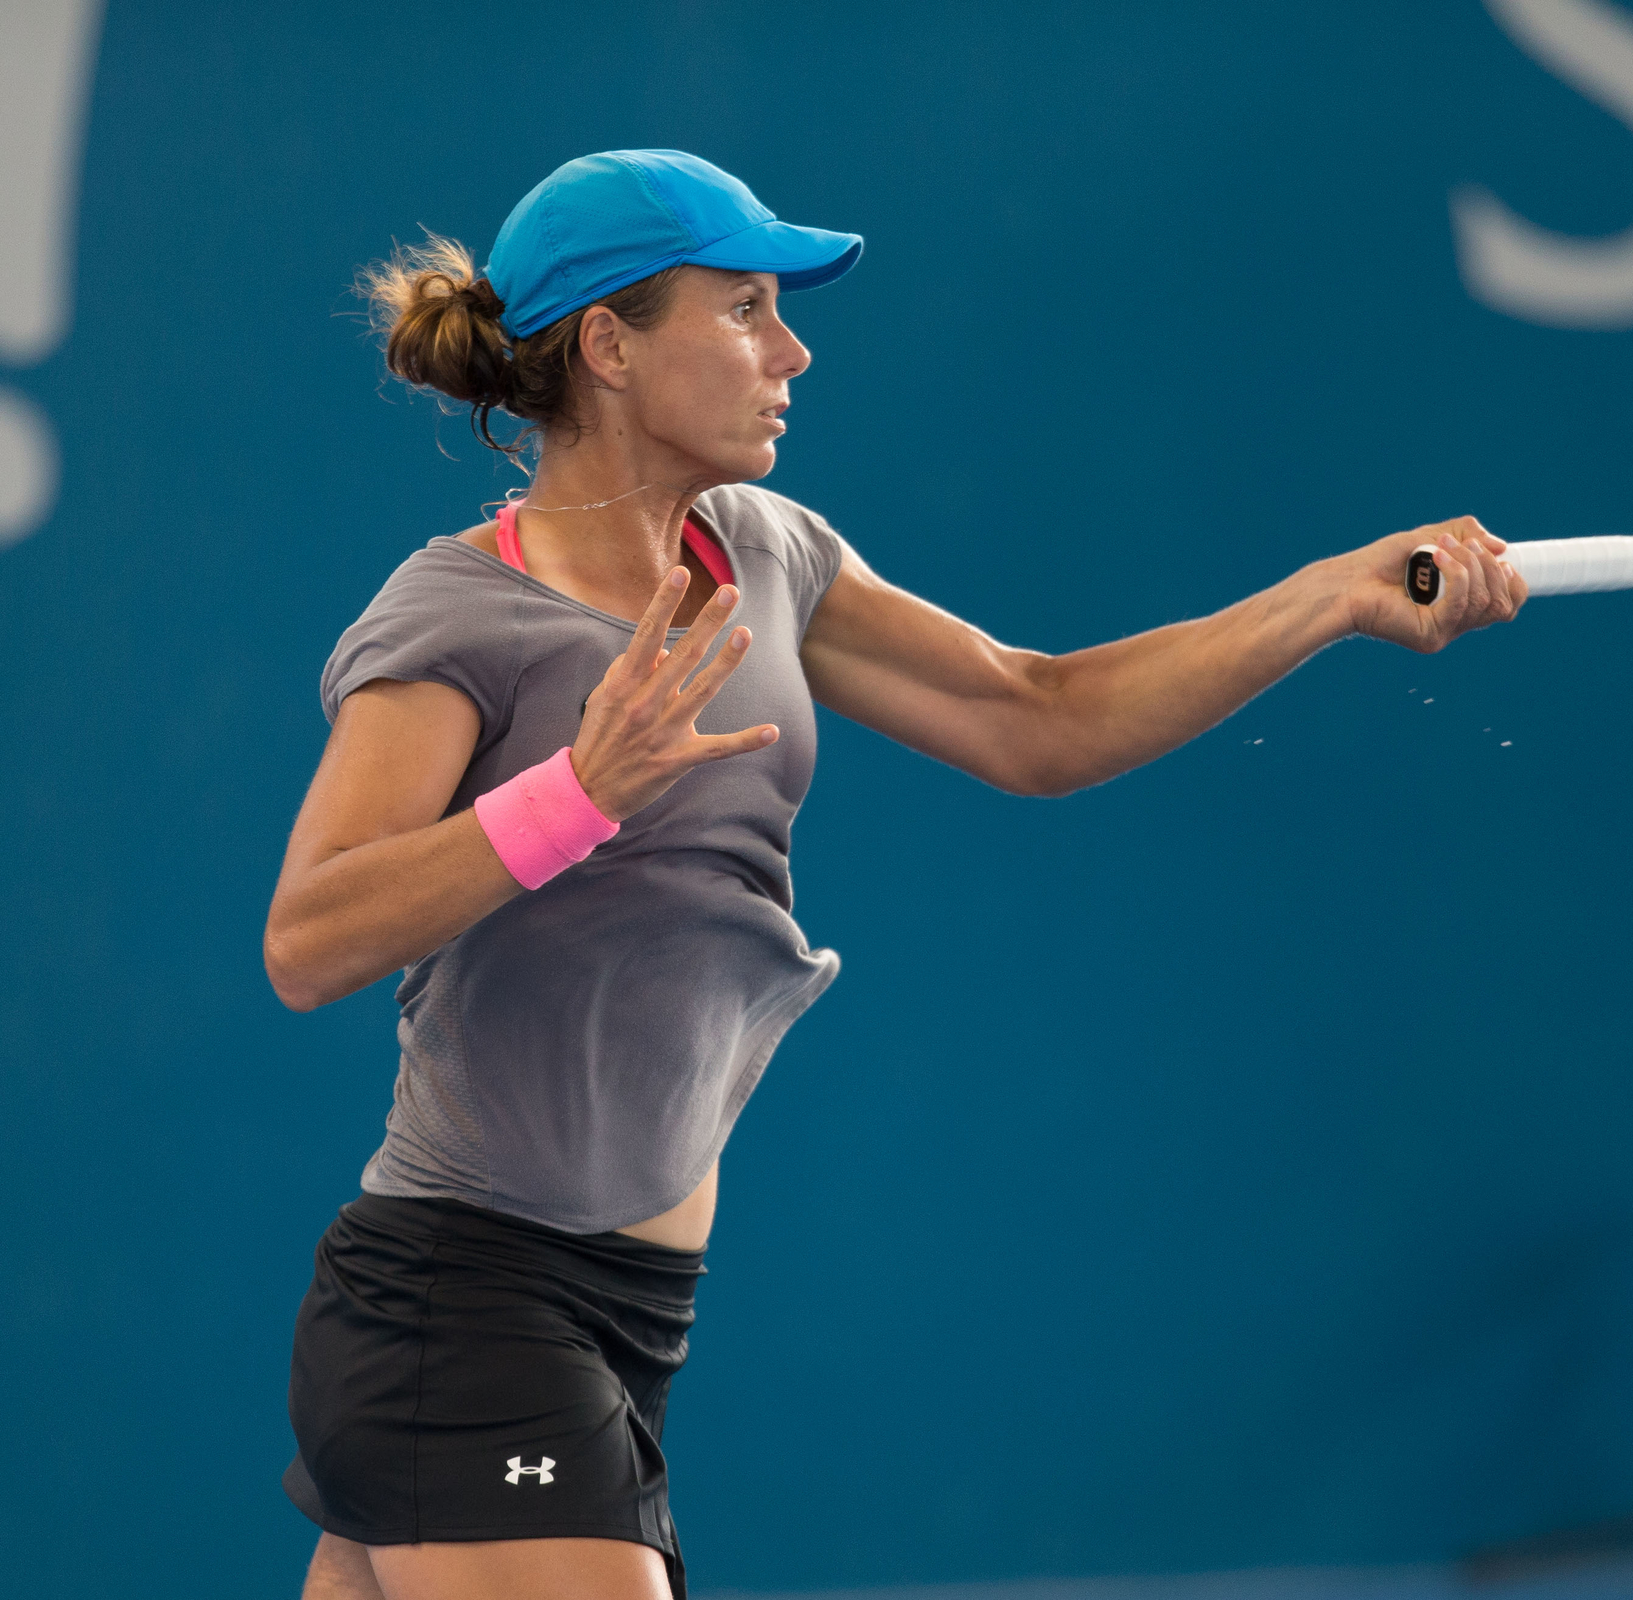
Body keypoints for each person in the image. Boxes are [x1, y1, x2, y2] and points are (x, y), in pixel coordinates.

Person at [266, 149, 1523, 1600]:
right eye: (742, 308)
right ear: (608, 345)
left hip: (629, 1311)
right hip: (468, 1298)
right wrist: (574, 796)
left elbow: (1033, 715)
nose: (791, 350)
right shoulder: (459, 614)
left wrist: (1333, 597)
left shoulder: (768, 553)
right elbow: (310, 937)